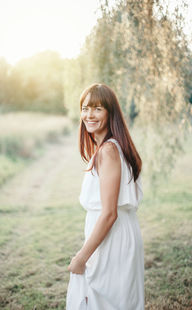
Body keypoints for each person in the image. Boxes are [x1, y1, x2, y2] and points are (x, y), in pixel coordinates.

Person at [66, 83, 144, 310]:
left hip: (113, 238)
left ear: (111, 114)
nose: (89, 115)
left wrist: (81, 257)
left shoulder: (109, 151)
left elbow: (109, 214)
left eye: (98, 109)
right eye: (86, 108)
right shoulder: (110, 148)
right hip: (115, 235)